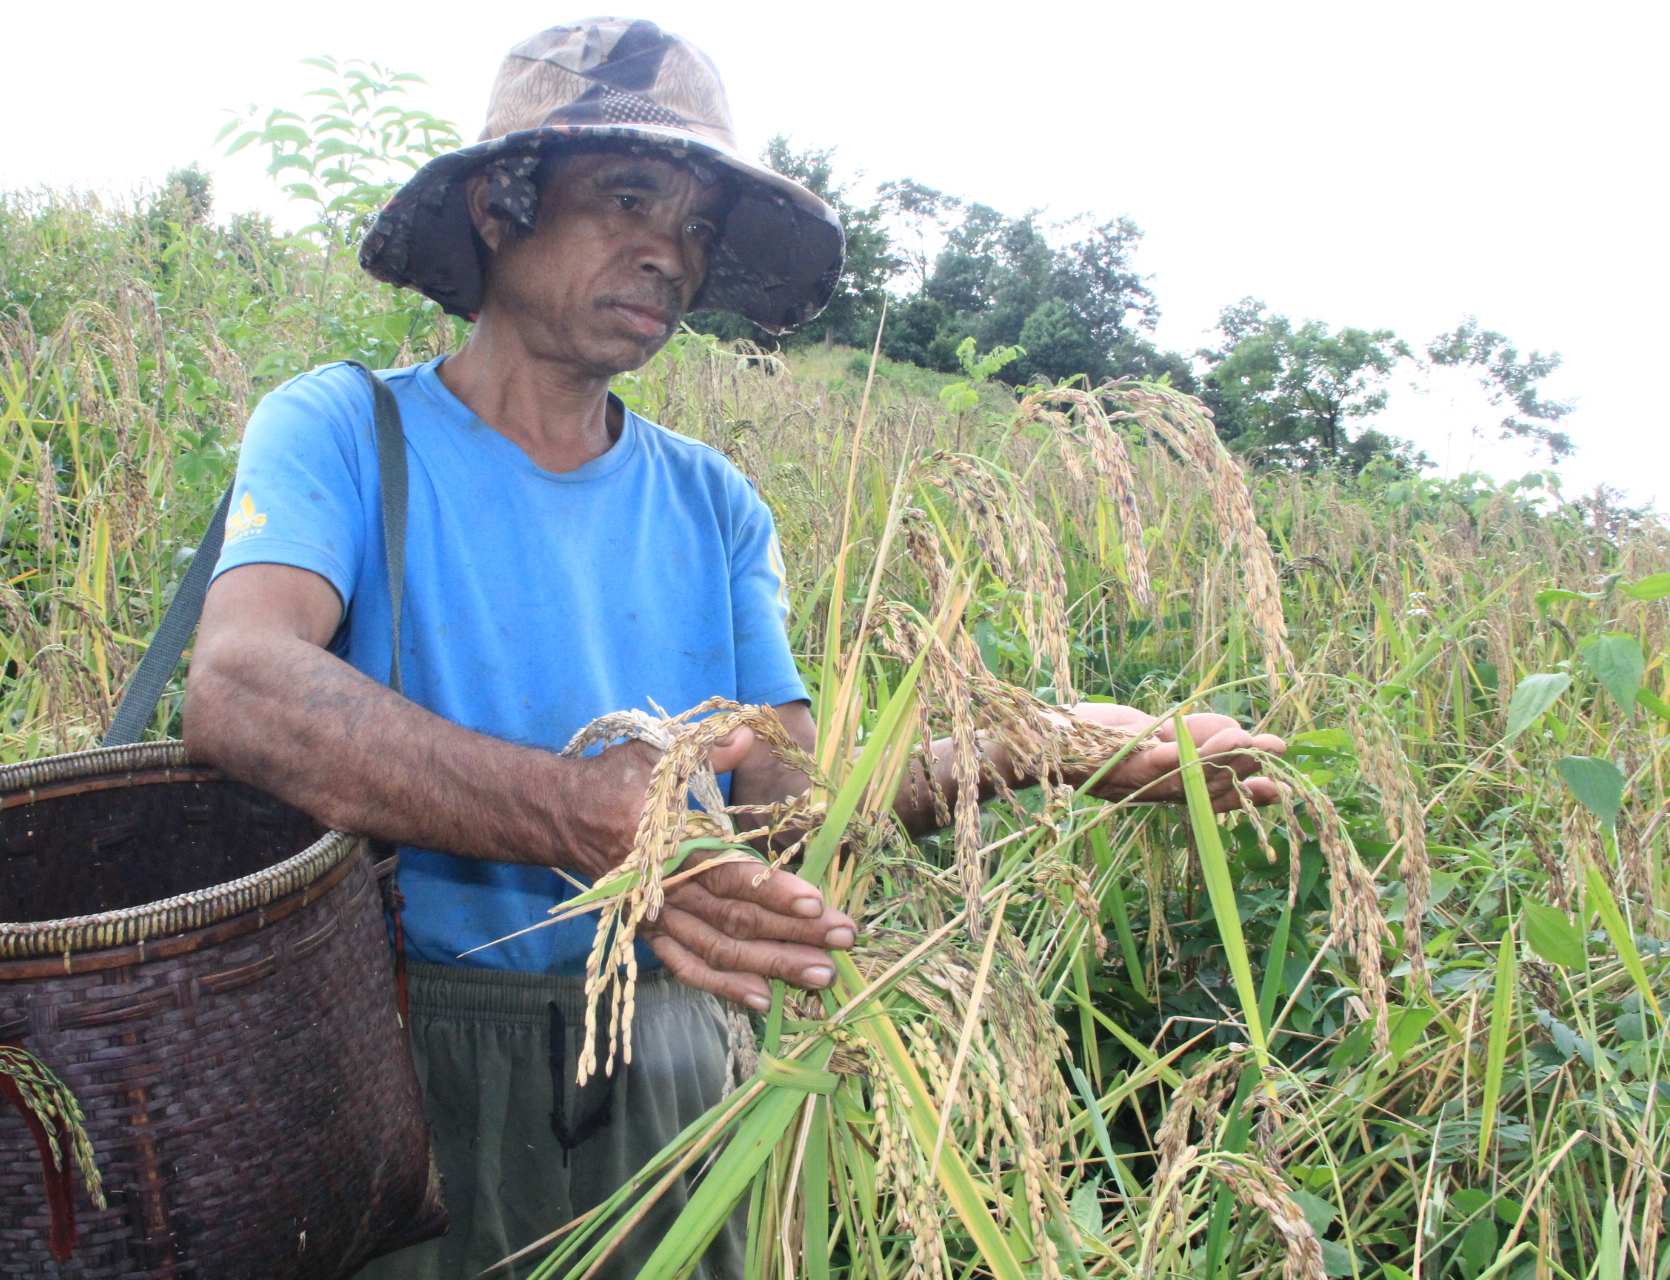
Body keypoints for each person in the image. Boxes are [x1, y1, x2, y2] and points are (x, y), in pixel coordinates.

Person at [182, 18, 1285, 1279]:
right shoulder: (344, 427)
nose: (670, 251)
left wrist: (1035, 747)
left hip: (667, 1061)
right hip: (402, 1059)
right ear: (499, 203)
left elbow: (789, 814)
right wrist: (573, 813)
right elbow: (243, 688)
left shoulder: (713, 504)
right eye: (630, 197)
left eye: (699, 225)